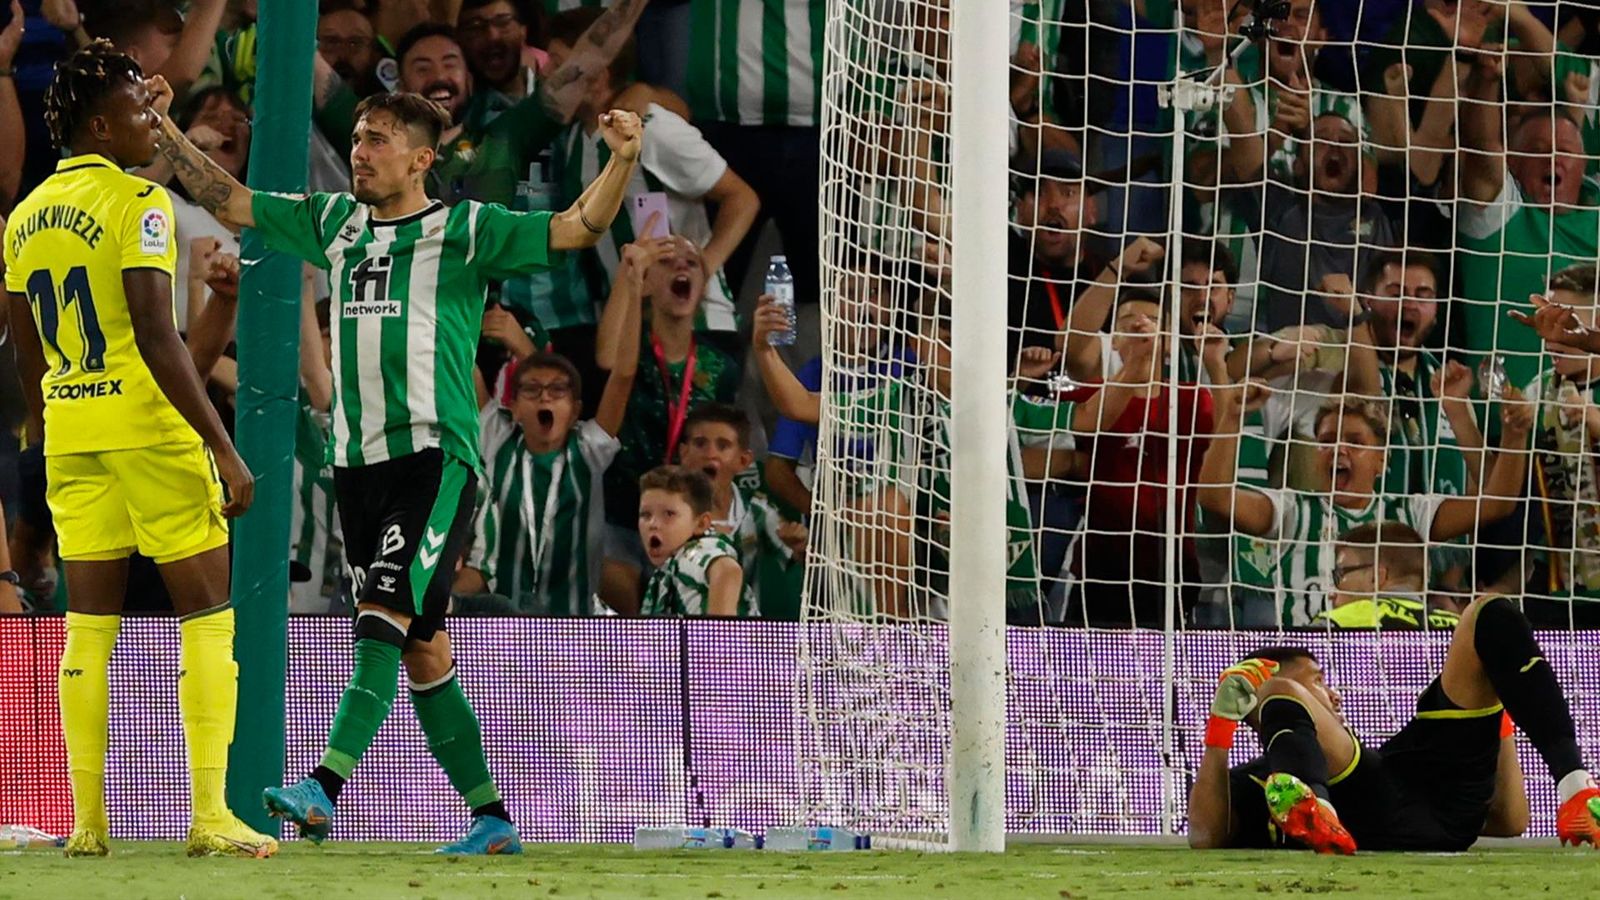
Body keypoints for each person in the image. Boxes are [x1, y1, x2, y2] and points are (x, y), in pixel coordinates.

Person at [150, 58, 644, 851]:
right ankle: (490, 819)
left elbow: (574, 229)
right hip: (357, 465)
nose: (361, 150)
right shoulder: (335, 222)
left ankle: (324, 784)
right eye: (356, 137)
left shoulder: (466, 229)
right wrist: (165, 131)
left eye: (378, 140)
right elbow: (229, 198)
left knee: (381, 617)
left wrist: (622, 160)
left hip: (434, 457)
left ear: (420, 159)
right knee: (422, 650)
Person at [1, 40, 268, 858]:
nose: (149, 123)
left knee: (88, 626)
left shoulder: (21, 218)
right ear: (97, 123)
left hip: (71, 431)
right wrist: (222, 447)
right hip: (149, 433)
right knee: (207, 620)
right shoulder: (139, 205)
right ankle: (212, 813)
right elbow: (158, 335)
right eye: (136, 111)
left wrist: (50, 423)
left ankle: (87, 821)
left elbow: (24, 351)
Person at [1187, 594, 1600, 851]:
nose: (1334, 694)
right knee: (1284, 698)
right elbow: (1206, 837)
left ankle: (1575, 785)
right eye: (1316, 681)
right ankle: (1316, 806)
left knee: (1487, 614)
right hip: (1374, 807)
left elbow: (1509, 821)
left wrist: (1496, 693)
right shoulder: (1257, 782)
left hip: (1421, 792)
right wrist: (1221, 729)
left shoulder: (1372, 766)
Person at [1197, 388, 1532, 625]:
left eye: (1355, 442)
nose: (1338, 450)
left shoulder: (1410, 513)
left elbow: (1497, 505)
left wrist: (1514, 437)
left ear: (1381, 459)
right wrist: (1232, 417)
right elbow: (1214, 497)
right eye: (1327, 441)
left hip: (1391, 658)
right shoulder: (1292, 510)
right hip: (1308, 661)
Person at [546, 7, 760, 337]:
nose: (547, 74)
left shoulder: (653, 128)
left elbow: (742, 198)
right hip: (629, 330)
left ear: (598, 76)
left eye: (558, 65)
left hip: (696, 327)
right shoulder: (574, 140)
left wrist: (704, 266)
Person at [454, 250, 642, 615]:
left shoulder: (590, 449)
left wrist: (634, 293)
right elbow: (462, 364)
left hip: (574, 620)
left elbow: (623, 374)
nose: (545, 396)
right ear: (515, 405)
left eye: (558, 391)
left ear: (576, 410)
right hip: (501, 621)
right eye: (532, 389)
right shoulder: (496, 438)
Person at [594, 236, 743, 613]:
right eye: (666, 262)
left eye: (692, 264)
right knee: (619, 592)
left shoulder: (720, 366)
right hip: (626, 509)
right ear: (647, 282)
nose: (681, 268)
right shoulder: (633, 350)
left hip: (689, 511)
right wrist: (629, 274)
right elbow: (608, 357)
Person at [1502, 264, 1600, 628]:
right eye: (1547, 318)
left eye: (1568, 321)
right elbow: (1500, 497)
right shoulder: (1539, 391)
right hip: (1554, 591)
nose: (1554, 333)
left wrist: (1594, 420)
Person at [677, 402, 807, 614]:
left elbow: (802, 559)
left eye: (723, 446)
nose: (710, 454)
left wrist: (800, 545)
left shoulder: (757, 513)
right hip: (685, 637)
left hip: (747, 639)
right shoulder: (670, 515)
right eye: (700, 444)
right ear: (684, 453)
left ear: (743, 460)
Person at [637, 464, 748, 617]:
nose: (653, 524)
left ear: (701, 523)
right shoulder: (665, 572)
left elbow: (727, 570)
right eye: (645, 515)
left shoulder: (695, 551)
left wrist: (720, 634)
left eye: (669, 514)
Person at [1314, 522, 1462, 630]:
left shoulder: (1334, 624)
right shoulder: (1457, 627)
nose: (1332, 593)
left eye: (1340, 574)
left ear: (1376, 577)